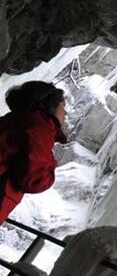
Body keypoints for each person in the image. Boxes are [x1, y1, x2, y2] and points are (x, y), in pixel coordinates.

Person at [0, 80, 67, 224]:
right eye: (63, 105)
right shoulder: (39, 129)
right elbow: (35, 181)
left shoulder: (12, 120)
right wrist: (52, 163)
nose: (65, 112)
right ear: (50, 105)